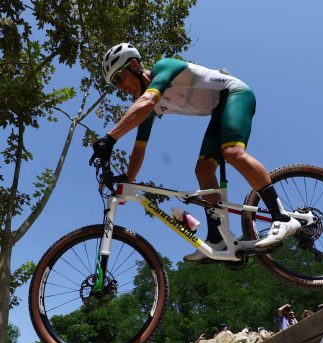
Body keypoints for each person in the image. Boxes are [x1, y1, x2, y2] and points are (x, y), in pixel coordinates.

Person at [92, 43, 301, 262]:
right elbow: (139, 148)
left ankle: (282, 216)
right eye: (114, 84)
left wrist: (110, 138)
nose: (119, 86)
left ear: (134, 65)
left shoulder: (163, 68)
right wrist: (128, 181)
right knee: (203, 170)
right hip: (218, 110)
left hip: (236, 94)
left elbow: (149, 100)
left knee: (232, 152)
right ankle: (217, 239)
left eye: (119, 78)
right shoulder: (147, 106)